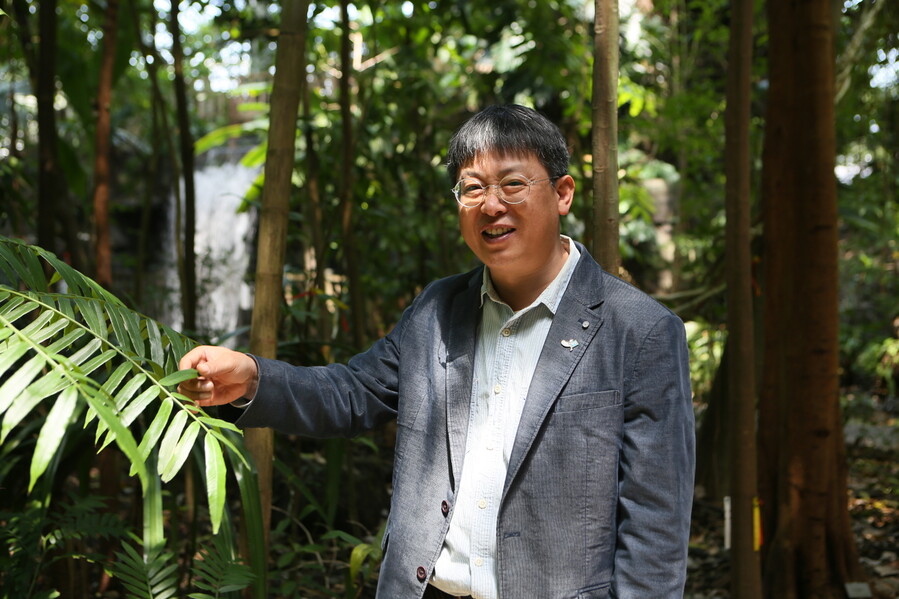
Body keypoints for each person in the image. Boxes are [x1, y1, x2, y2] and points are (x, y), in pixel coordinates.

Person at [178, 104, 695, 599]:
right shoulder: (437, 310)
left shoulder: (641, 332)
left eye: (513, 184)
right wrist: (250, 377)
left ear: (562, 193)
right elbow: (354, 393)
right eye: (473, 190)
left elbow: (655, 525)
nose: (492, 205)